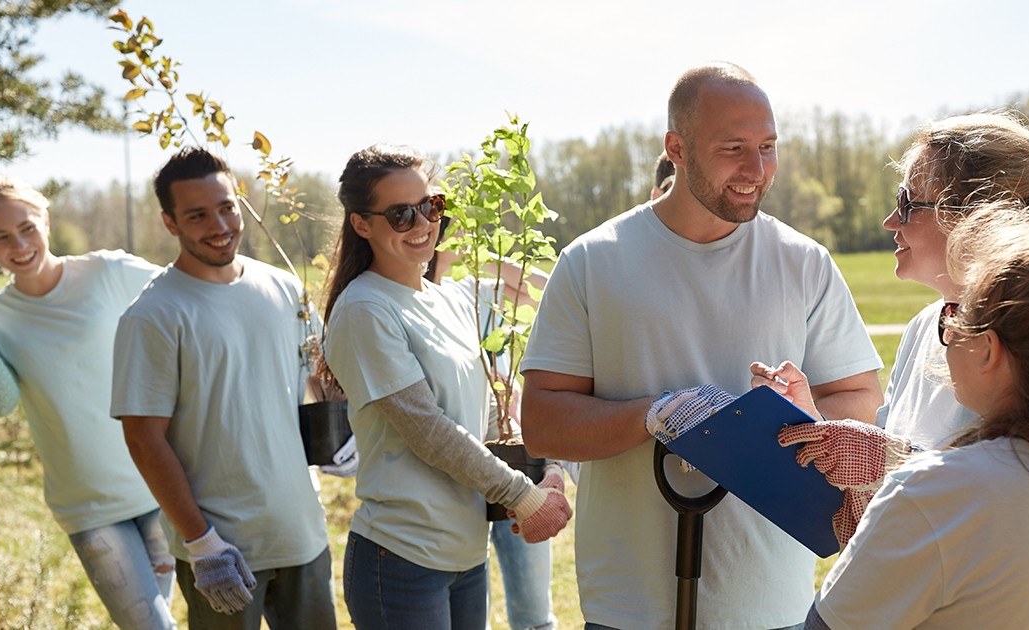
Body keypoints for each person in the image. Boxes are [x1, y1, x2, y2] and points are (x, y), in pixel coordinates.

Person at [758, 111, 1029, 629]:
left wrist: (883, 461)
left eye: (909, 203)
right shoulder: (926, 327)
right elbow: (897, 503)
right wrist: (821, 434)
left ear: (975, 216)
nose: (892, 221)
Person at [519, 62, 883, 630]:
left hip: (767, 600)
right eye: (732, 148)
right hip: (629, 602)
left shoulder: (804, 262)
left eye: (768, 146)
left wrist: (803, 417)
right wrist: (654, 415)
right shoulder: (592, 261)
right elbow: (542, 423)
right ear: (677, 148)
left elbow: (860, 398)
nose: (756, 169)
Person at [319, 144, 571, 630]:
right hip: (402, 558)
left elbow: (489, 403)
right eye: (400, 214)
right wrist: (522, 495)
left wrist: (546, 466)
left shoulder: (450, 300)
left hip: (466, 554)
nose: (422, 225)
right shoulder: (365, 309)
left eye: (431, 206)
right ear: (361, 224)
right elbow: (428, 429)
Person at [110, 147, 336, 629]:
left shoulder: (284, 288)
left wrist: (343, 437)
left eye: (227, 207)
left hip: (302, 533)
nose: (219, 225)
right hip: (223, 549)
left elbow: (318, 376)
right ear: (170, 224)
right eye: (197, 215)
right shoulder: (152, 316)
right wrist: (201, 542)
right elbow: (143, 439)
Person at [0, 175, 177, 630]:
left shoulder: (108, 271)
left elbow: (188, 300)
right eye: (0, 237)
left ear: (45, 219)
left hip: (162, 481)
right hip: (88, 502)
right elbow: (0, 403)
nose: (19, 245)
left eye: (26, 227)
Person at [426, 228, 558, 630]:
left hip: (514, 449)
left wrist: (489, 259)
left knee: (534, 609)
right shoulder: (423, 300)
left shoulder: (481, 289)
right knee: (468, 603)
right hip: (460, 464)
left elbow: (546, 288)